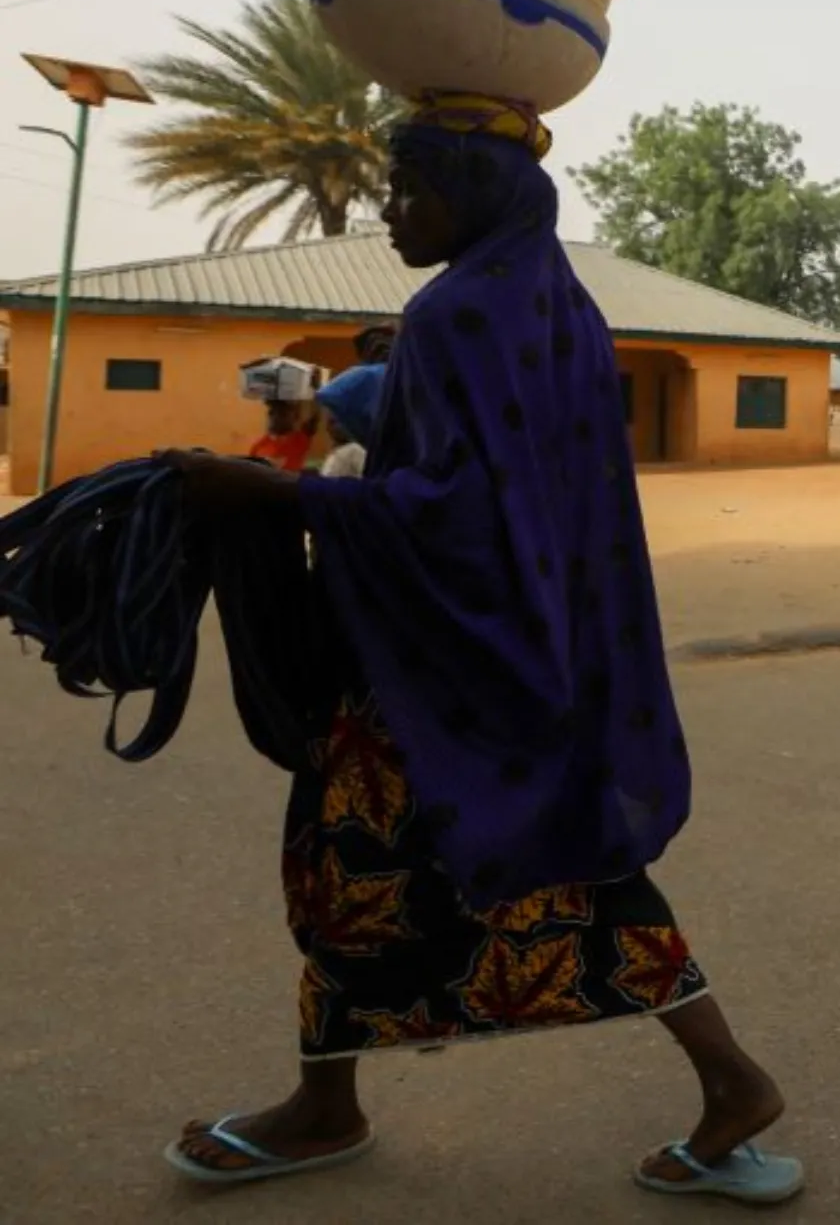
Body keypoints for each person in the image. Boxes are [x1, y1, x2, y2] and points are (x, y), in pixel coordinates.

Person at [159, 92, 798, 1204]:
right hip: (535, 641)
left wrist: (275, 495)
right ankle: (724, 1080)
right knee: (562, 859)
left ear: (479, 192)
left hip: (440, 661)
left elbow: (451, 510)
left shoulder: (459, 314)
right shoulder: (562, 305)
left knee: (357, 868)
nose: (394, 210)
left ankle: (327, 1107)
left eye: (412, 187)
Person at [314, 363, 383, 481]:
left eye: (337, 421)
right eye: (330, 422)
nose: (331, 427)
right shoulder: (338, 451)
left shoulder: (356, 451)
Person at [248, 399, 316, 473]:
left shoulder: (300, 440)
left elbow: (313, 418)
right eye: (272, 413)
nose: (276, 417)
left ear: (294, 418)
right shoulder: (258, 447)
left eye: (282, 413)